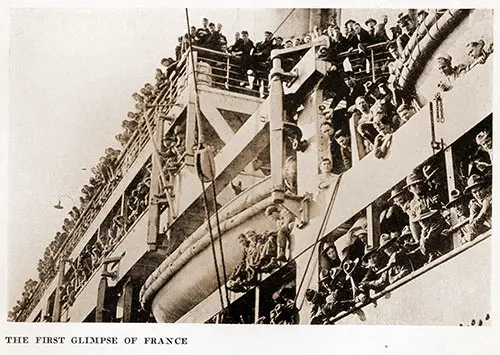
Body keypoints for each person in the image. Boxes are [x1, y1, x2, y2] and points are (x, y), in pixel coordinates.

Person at [464, 174, 492, 238]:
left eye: (480, 190)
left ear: (485, 188)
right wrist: (483, 210)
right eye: (474, 192)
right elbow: (473, 227)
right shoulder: (475, 205)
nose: (478, 194)